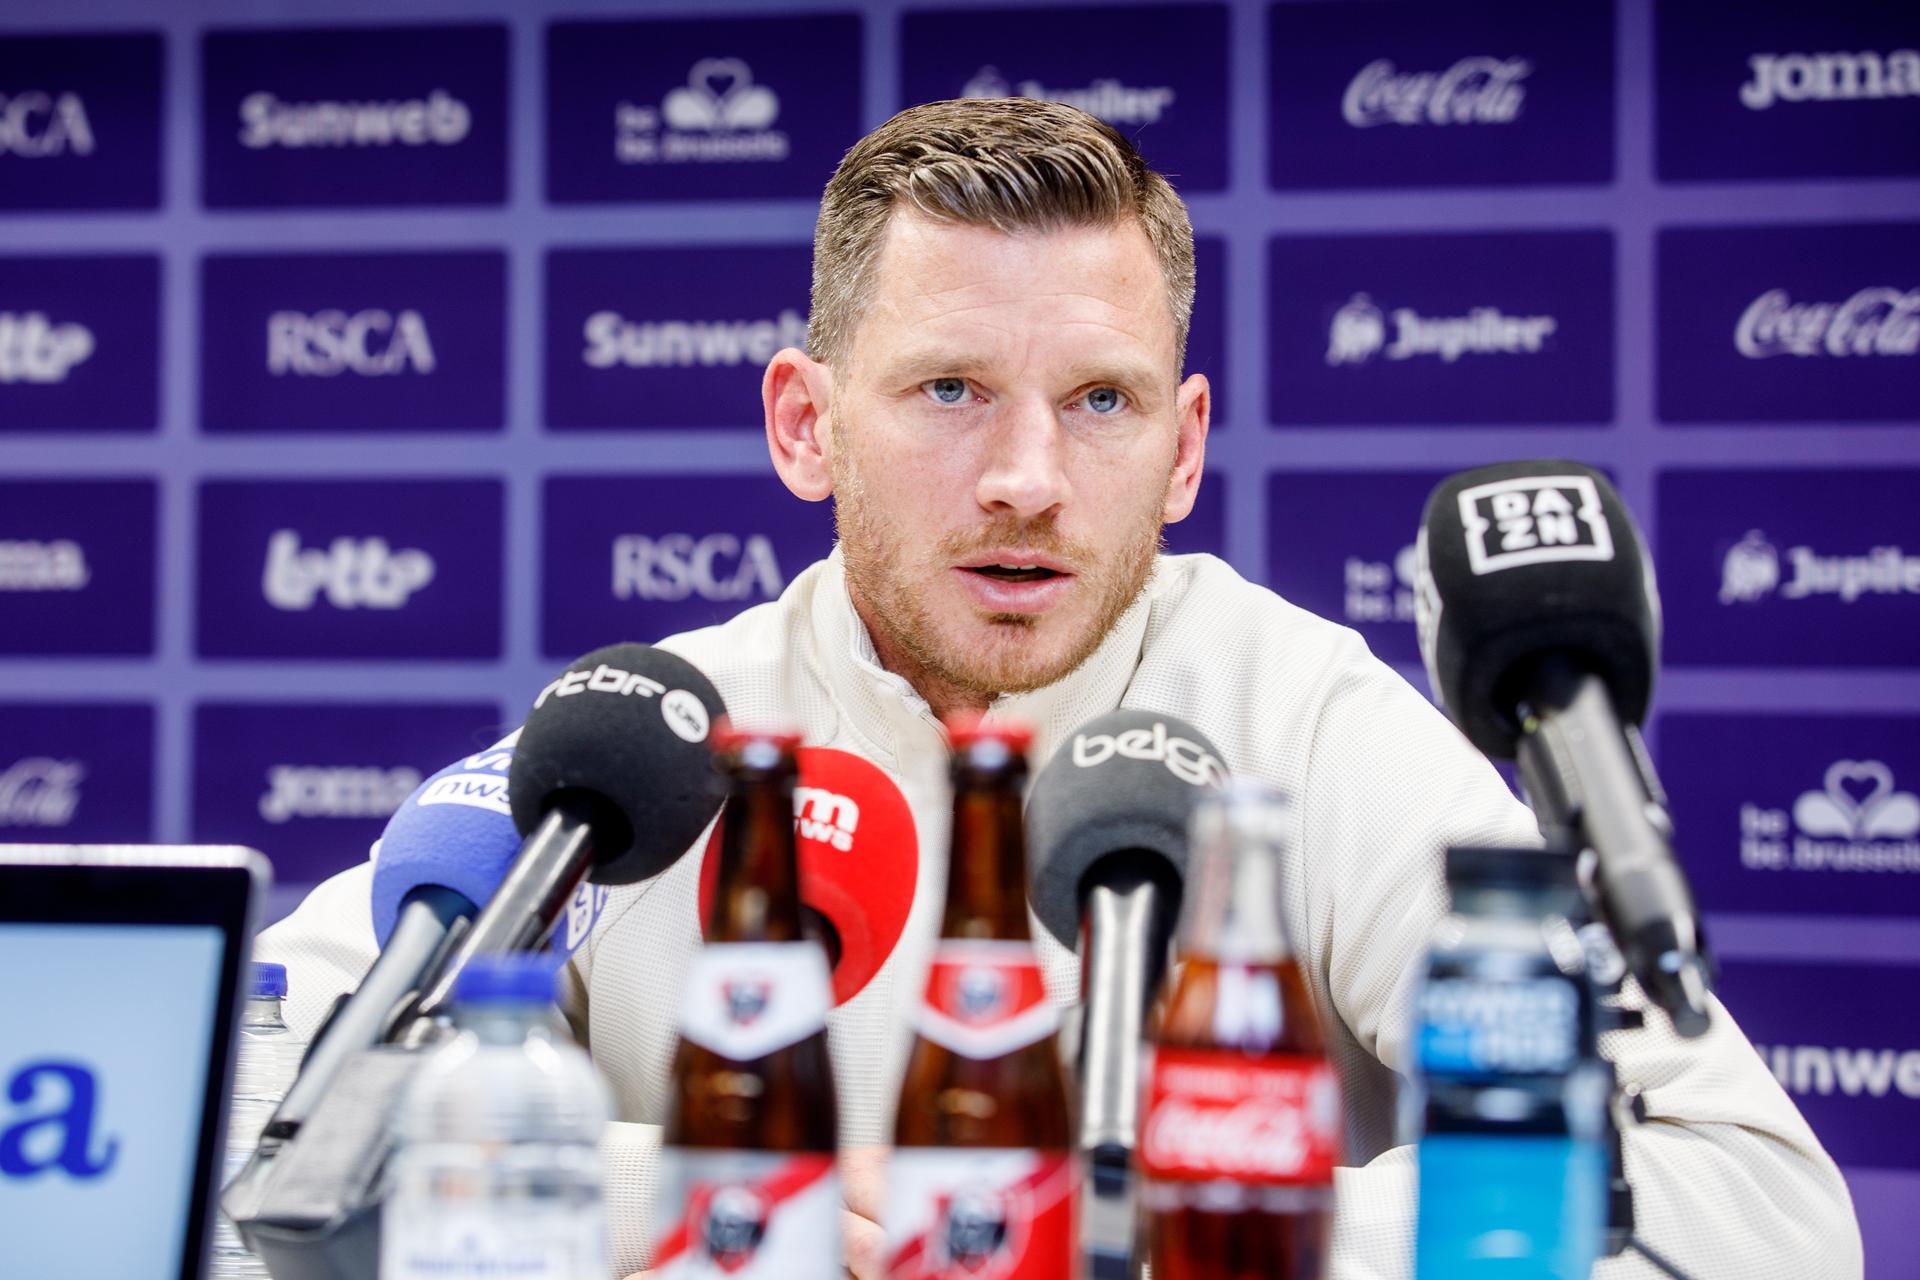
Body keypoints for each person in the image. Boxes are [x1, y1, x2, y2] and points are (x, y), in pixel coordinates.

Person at [260, 98, 1861, 1279]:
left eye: (1101, 400)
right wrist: (690, 1191)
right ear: (807, 425)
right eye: (950, 390)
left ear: (1183, 450)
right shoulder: (654, 741)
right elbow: (249, 1103)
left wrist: (1138, 1223)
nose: (1027, 478)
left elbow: (1755, 1202)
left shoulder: (1309, 720)